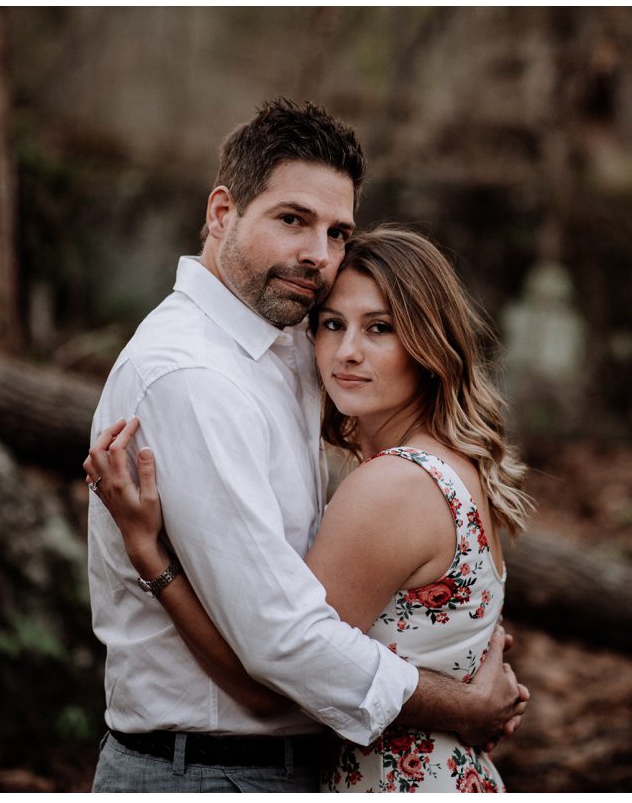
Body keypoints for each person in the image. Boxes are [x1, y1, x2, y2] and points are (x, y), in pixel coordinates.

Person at [83, 99, 527, 793]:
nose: (317, 254)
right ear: (222, 212)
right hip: (207, 772)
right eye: (292, 219)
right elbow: (281, 648)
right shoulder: (194, 376)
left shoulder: (286, 340)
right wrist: (465, 706)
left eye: (337, 231)